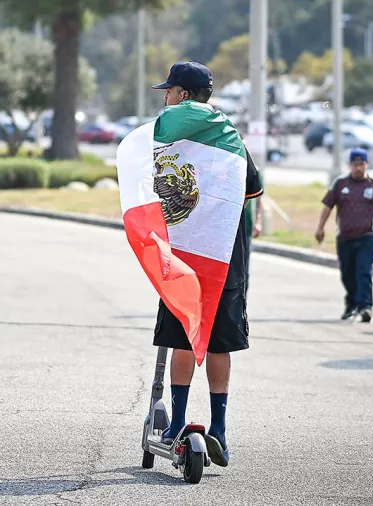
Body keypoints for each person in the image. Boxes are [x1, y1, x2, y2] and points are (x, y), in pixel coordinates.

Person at [150, 61, 263, 468]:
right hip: (226, 260)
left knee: (182, 336)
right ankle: (219, 429)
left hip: (182, 257)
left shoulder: (163, 137)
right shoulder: (231, 139)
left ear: (182, 94)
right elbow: (252, 190)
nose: (165, 97)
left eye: (169, 90)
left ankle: (177, 422)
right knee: (220, 343)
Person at [314, 148, 373, 323]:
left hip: (368, 237)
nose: (358, 168)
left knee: (363, 271)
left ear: (367, 165)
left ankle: (365, 306)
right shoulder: (340, 184)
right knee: (347, 273)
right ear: (350, 165)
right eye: (355, 164)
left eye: (361, 164)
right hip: (345, 238)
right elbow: (328, 206)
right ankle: (351, 305)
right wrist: (320, 228)